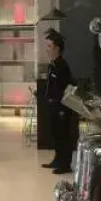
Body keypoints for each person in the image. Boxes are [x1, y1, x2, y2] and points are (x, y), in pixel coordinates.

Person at [41, 29, 74, 174]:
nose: (47, 49)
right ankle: (57, 159)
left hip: (61, 107)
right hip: (52, 105)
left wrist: (61, 108)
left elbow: (64, 88)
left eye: (49, 46)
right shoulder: (52, 64)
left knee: (63, 135)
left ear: (57, 48)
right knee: (55, 134)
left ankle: (65, 164)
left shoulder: (62, 66)